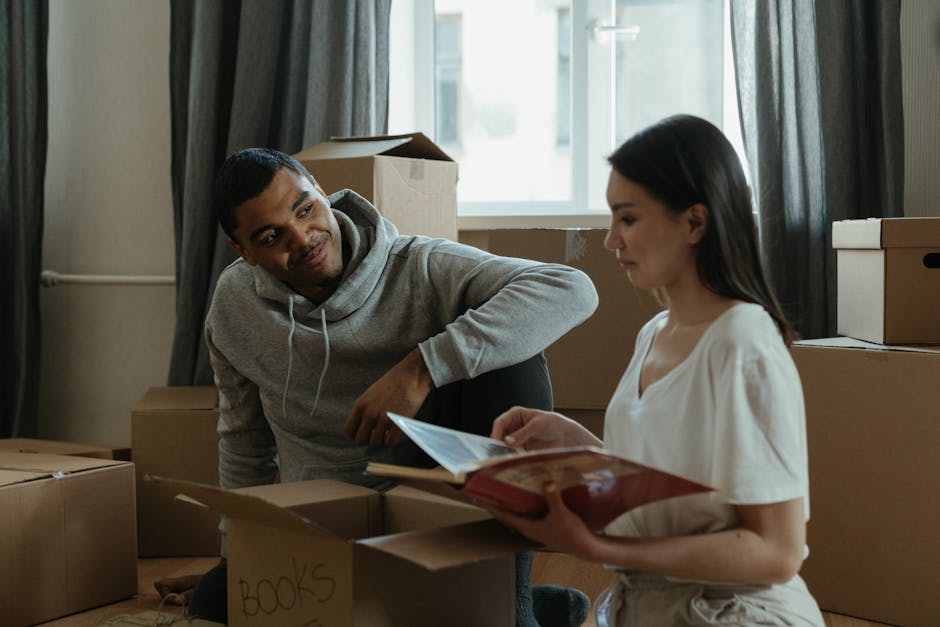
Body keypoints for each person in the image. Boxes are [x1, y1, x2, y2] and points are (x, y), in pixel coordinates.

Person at [154, 147, 599, 625]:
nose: (303, 238)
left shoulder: (420, 265)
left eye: (305, 209)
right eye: (271, 236)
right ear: (245, 252)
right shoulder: (234, 305)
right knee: (216, 603)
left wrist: (421, 368)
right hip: (328, 516)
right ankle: (531, 603)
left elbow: (571, 287)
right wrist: (237, 558)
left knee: (510, 356)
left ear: (323, 192)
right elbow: (243, 440)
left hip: (435, 504)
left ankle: (516, 610)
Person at [481, 114, 826, 627]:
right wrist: (576, 443)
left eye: (628, 218)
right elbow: (677, 488)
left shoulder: (743, 340)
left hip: (732, 614)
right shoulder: (655, 332)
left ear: (694, 222)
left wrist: (596, 545)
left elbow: (778, 553)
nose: (610, 240)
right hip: (646, 608)